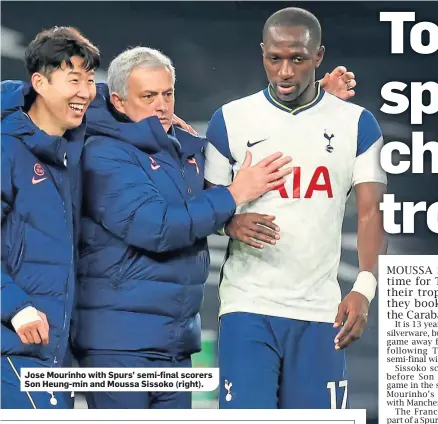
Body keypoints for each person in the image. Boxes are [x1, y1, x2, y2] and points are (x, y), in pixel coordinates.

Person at [73, 44, 355, 409]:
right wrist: (234, 196)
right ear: (119, 101)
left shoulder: (181, 148)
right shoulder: (103, 153)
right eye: (148, 96)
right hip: (120, 343)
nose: (161, 105)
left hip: (173, 341)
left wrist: (316, 110)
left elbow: (255, 164)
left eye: (167, 94)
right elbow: (156, 227)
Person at [204, 7, 387, 409]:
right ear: (262, 53)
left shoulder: (357, 124)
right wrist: (230, 224)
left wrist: (364, 289)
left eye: (298, 59)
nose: (285, 71)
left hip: (320, 310)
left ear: (318, 56)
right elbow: (204, 209)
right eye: (275, 58)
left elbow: (373, 212)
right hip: (247, 306)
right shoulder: (230, 120)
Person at [1, 26, 100, 409]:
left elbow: (125, 95)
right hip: (12, 350)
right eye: (73, 79)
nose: (85, 92)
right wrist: (17, 309)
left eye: (90, 80)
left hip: (53, 357)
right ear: (39, 83)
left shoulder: (69, 149)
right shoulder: (6, 151)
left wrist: (160, 113)